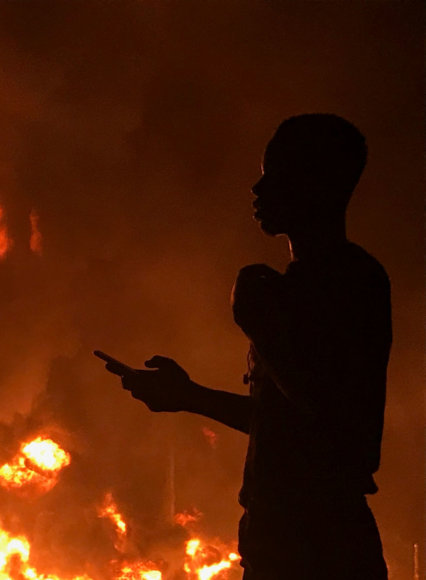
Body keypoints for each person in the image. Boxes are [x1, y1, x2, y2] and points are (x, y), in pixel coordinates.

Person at [101, 114, 391, 579]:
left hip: (319, 547)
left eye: (274, 175)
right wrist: (189, 396)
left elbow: (338, 425)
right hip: (276, 540)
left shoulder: (351, 283)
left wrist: (261, 320)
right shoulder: (289, 290)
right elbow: (287, 420)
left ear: (315, 183)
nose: (257, 190)